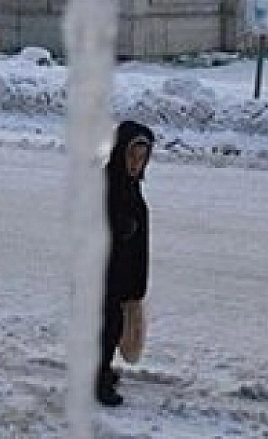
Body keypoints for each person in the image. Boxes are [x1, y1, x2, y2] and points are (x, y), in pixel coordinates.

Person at [98, 119, 154, 407]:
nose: (136, 163)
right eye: (132, 155)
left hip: (121, 272)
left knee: (113, 325)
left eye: (142, 157)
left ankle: (102, 370)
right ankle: (96, 380)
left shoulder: (130, 185)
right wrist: (119, 227)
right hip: (104, 272)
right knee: (107, 327)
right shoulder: (108, 183)